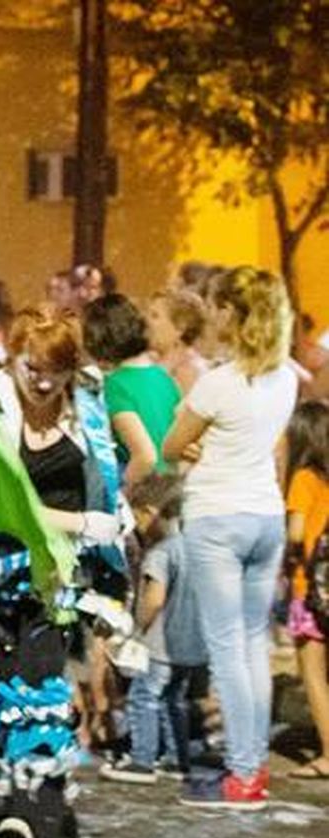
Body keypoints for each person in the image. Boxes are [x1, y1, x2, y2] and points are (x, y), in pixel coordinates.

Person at [0, 304, 130, 838]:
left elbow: (109, 492)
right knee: (7, 702)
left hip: (59, 583)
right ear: (14, 358)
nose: (44, 381)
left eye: (57, 369)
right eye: (34, 366)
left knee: (42, 700)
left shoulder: (87, 411)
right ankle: (38, 814)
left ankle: (30, 826)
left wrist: (103, 527)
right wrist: (73, 522)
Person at [163, 267, 298, 810]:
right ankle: (254, 766)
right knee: (252, 647)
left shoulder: (219, 382)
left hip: (218, 518)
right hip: (265, 516)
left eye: (219, 306)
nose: (212, 314)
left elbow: (173, 443)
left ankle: (241, 775)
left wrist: (195, 443)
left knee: (226, 651)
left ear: (233, 316)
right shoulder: (284, 377)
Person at [99, 473, 204, 784]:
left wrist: (135, 630)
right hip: (190, 643)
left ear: (149, 512)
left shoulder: (160, 553)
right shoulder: (193, 547)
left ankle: (142, 760)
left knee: (143, 698)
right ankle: (176, 759)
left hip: (159, 643)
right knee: (175, 700)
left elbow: (154, 599)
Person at [82, 293, 181, 487]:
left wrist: (120, 497)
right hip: (171, 493)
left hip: (145, 496)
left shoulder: (116, 385)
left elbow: (145, 456)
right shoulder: (164, 378)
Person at [283, 402, 329, 780]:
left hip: (311, 590)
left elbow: (297, 533)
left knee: (313, 674)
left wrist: (288, 554)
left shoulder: (305, 478)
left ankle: (328, 752)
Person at [145, 287, 209, 396]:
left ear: (180, 328)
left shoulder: (189, 372)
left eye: (155, 316)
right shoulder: (148, 362)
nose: (146, 321)